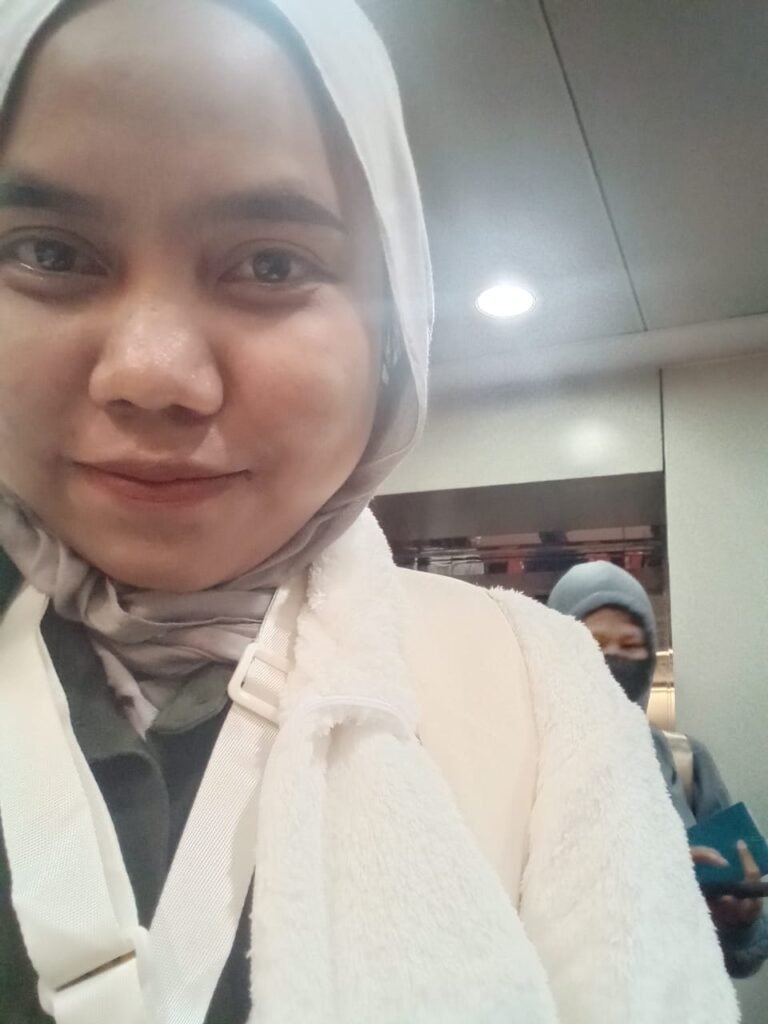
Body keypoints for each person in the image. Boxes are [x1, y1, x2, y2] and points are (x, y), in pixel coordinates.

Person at [0, 2, 738, 1022]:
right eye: (49, 253)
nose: (152, 374)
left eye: (270, 264)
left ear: (393, 334)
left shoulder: (534, 694)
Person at [549, 559, 768, 979]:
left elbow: (741, 957)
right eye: (592, 642)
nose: (612, 658)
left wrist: (737, 922)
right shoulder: (523, 770)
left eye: (630, 645)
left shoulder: (686, 763)